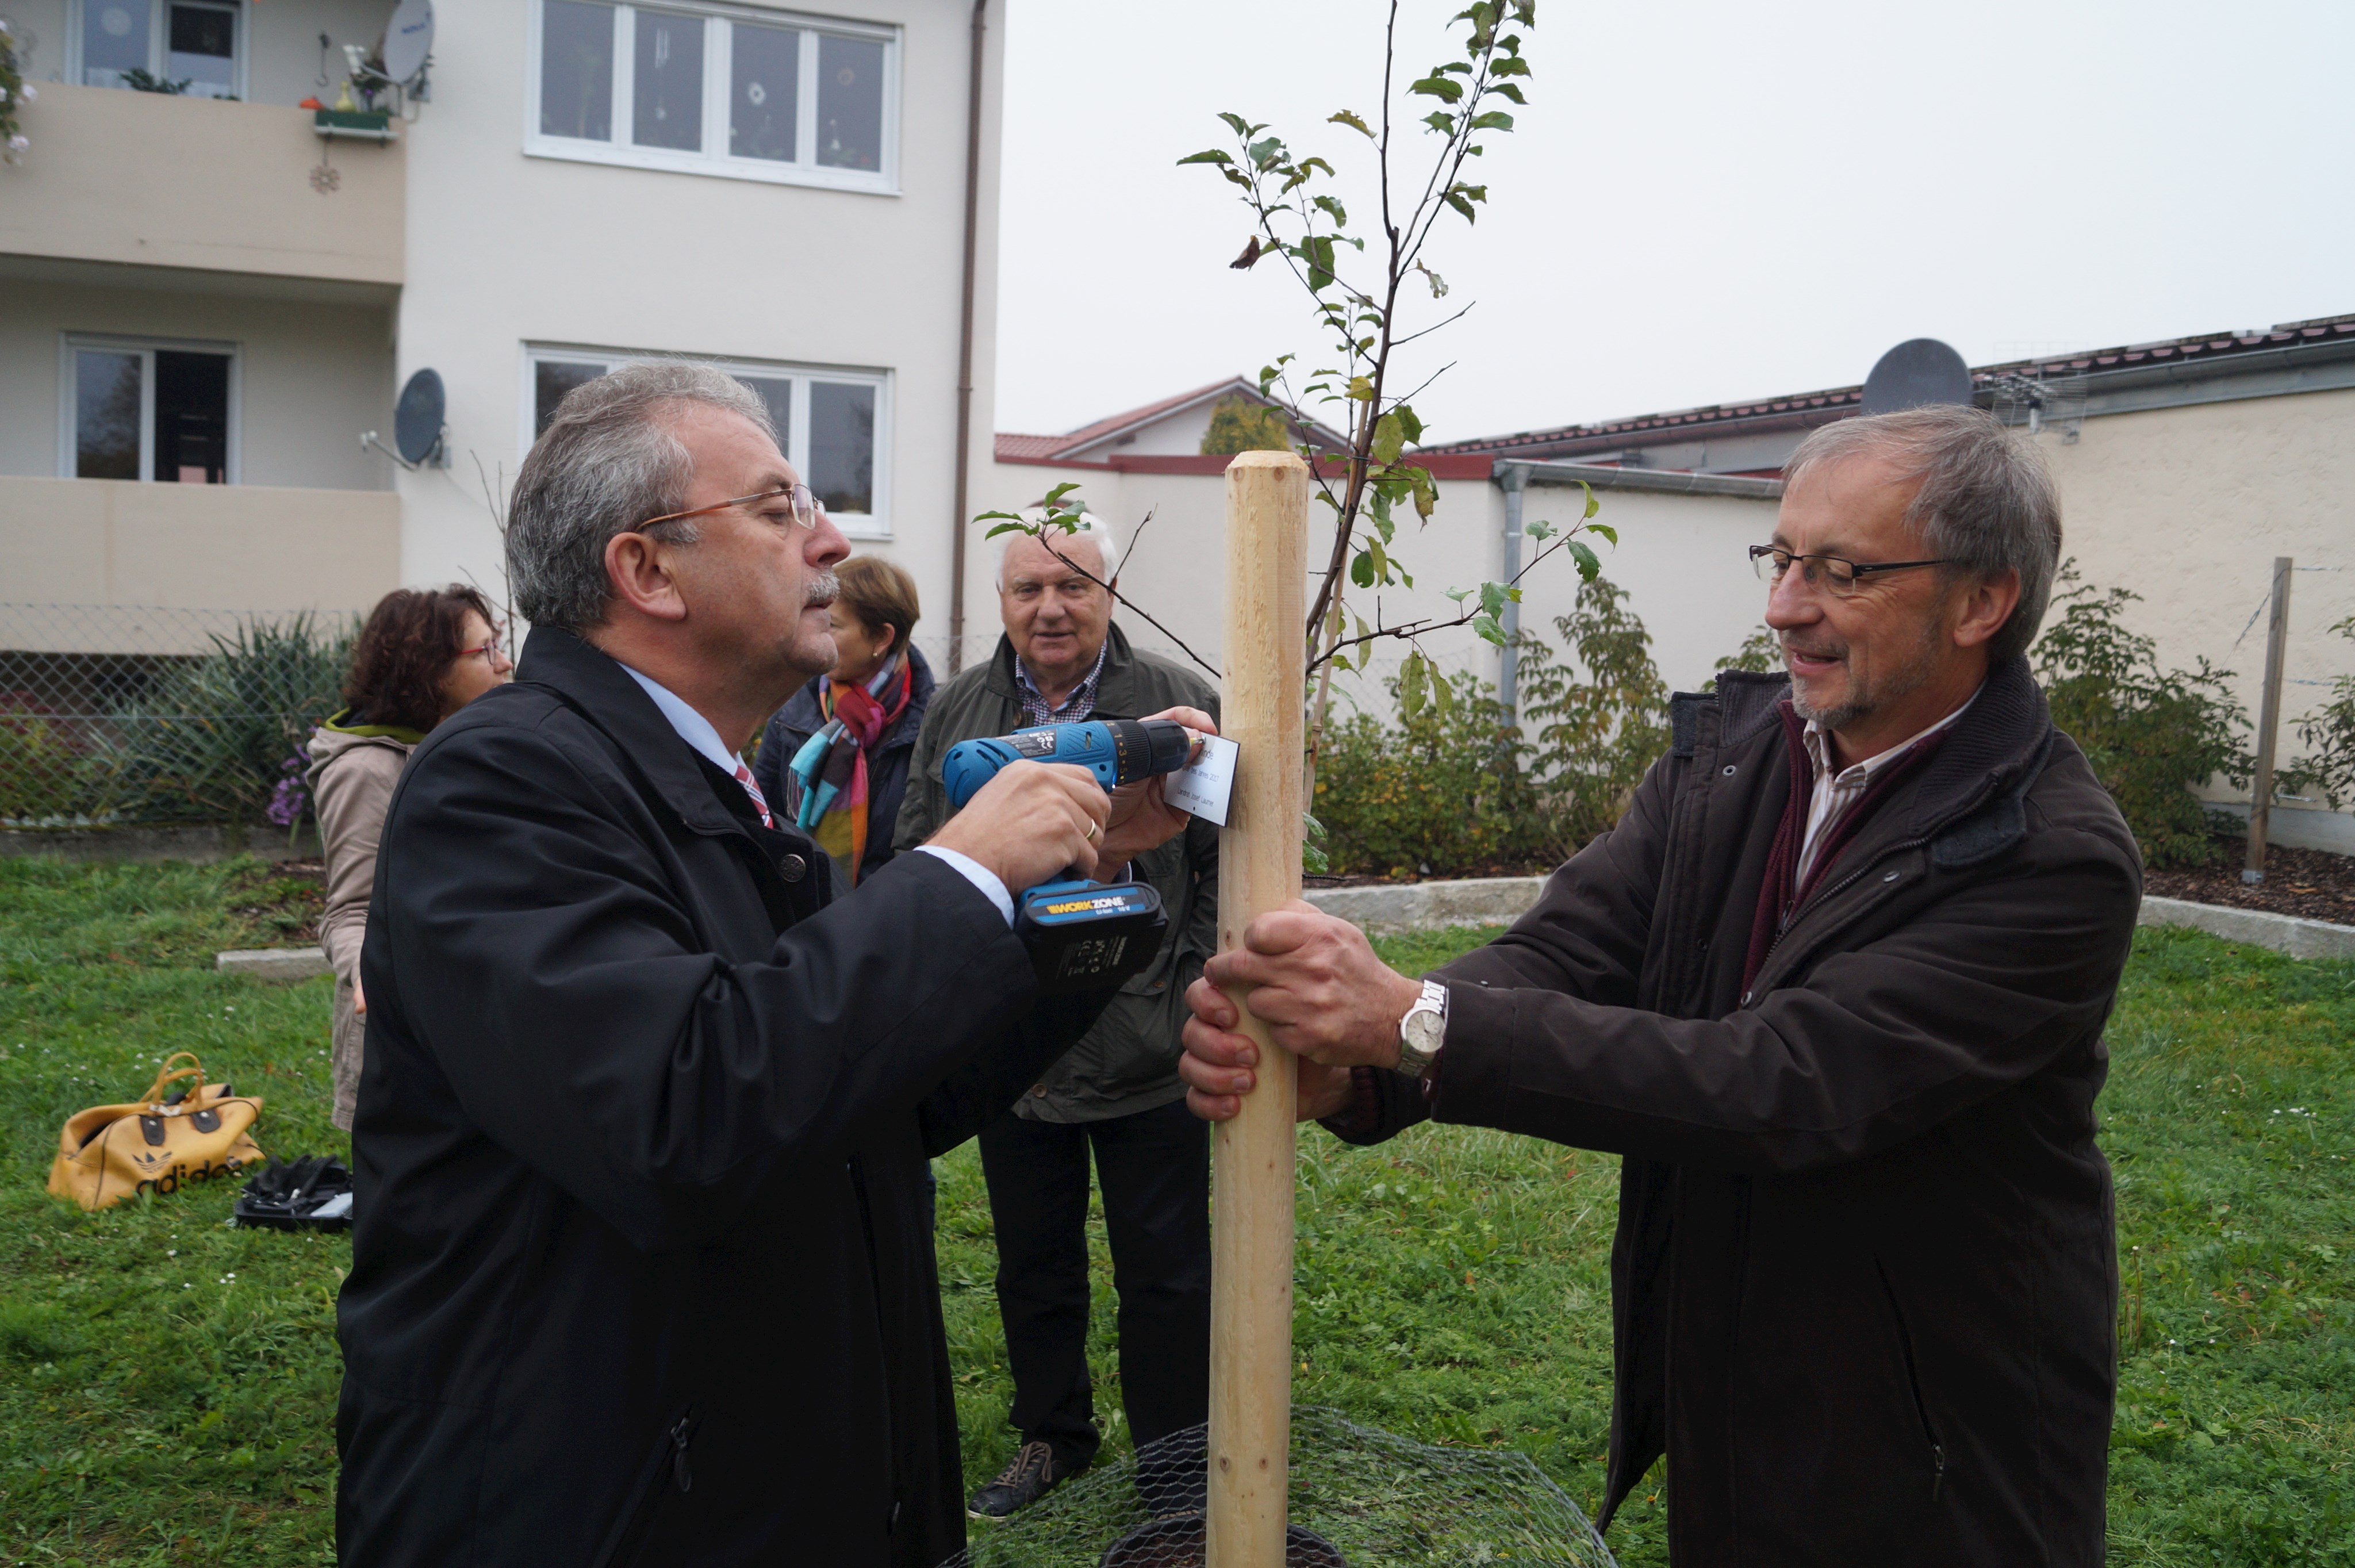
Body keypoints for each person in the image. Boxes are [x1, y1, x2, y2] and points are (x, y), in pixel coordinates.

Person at [1179, 405, 2142, 1567]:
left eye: (1841, 571)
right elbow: (1567, 947)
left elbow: (1784, 1084)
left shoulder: (2045, 853)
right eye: (1780, 557)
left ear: (1979, 601)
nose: (1785, 605)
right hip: (1737, 1392)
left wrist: (1410, 1021)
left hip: (1931, 1451)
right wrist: (1356, 1070)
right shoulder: (1735, 759)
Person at [334, 362, 1213, 1568]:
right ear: (646, 570)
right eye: (781, 506)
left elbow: (866, 1097)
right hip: (602, 1510)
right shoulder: (504, 785)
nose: (834, 540)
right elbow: (683, 1111)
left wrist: (1067, 887)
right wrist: (957, 870)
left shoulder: (705, 783)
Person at [897, 516, 1219, 1518]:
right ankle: (1053, 1437)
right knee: (1033, 1265)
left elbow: (1224, 863)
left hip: (1142, 1045)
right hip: (1012, 1048)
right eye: (1028, 588)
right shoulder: (960, 710)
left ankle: (1173, 1470)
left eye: (1072, 585)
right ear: (1002, 602)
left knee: (1166, 1275)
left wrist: (1190, 985)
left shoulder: (1178, 707)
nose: (1050, 607)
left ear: (1108, 593)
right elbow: (916, 851)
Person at [304, 585, 511, 1132]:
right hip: (409, 1030)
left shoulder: (474, 745)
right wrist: (373, 975)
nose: (505, 662)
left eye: (501, 645)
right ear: (432, 670)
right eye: (486, 651)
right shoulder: (365, 771)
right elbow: (349, 912)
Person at [754, 554, 933, 892]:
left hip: (888, 916)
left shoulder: (933, 724)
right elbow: (762, 819)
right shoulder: (792, 708)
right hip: (799, 903)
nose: (815, 633)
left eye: (832, 625)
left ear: (881, 639)